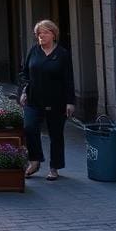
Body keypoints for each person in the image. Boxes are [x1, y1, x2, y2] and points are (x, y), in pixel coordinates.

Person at [19, 19, 75, 181]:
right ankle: (35, 161)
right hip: (34, 99)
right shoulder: (34, 51)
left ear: (54, 34)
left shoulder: (62, 54)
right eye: (38, 33)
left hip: (56, 100)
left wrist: (70, 101)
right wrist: (24, 90)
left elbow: (69, 79)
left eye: (45, 32)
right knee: (29, 128)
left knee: (55, 134)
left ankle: (54, 167)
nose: (41, 36)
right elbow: (24, 74)